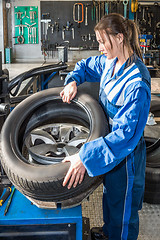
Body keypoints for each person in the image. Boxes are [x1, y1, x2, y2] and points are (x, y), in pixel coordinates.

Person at [60, 13, 151, 240]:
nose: (99, 47)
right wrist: (73, 80)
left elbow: (126, 136)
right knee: (111, 197)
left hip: (125, 155)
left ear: (119, 38)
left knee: (124, 208)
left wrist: (84, 156)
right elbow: (85, 65)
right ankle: (110, 232)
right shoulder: (110, 63)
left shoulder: (136, 82)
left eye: (102, 41)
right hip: (108, 147)